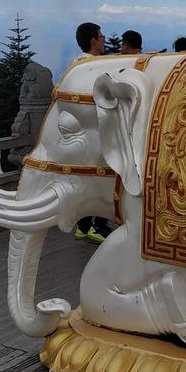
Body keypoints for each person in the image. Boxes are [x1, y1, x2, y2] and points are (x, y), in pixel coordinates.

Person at [73, 22, 109, 244]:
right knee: (101, 180)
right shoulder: (93, 67)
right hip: (96, 132)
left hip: (79, 134)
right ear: (93, 40)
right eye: (101, 36)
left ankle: (82, 226)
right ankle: (98, 225)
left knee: (86, 181)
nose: (104, 39)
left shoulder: (76, 65)